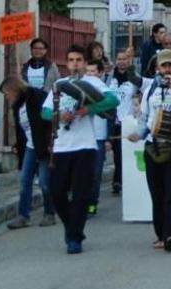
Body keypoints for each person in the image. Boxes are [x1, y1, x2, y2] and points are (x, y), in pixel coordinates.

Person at [42, 45, 119, 254]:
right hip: (61, 147)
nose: (75, 63)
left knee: (81, 194)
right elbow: (46, 112)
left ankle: (74, 238)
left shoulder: (92, 82)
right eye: (71, 60)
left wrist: (88, 109)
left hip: (85, 146)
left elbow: (113, 100)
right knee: (56, 192)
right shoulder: (60, 84)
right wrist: (60, 116)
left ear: (85, 63)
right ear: (66, 63)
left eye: (78, 60)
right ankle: (72, 227)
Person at [128, 49, 171, 252]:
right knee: (157, 194)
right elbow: (145, 118)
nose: (167, 69)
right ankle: (161, 234)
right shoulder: (151, 89)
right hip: (154, 147)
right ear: (158, 67)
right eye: (163, 65)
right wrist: (138, 134)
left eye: (170, 65)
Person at [1, 76, 55, 229]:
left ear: (14, 89)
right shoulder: (17, 106)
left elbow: (48, 120)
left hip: (43, 145)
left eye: (7, 93)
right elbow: (22, 129)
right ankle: (23, 216)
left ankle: (49, 213)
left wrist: (50, 142)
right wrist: (18, 144)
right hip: (30, 146)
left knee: (44, 182)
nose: (6, 97)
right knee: (25, 181)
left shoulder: (35, 96)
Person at [108, 49, 152, 195]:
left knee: (122, 153)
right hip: (112, 120)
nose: (121, 61)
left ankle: (118, 181)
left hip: (127, 121)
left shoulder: (134, 78)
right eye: (119, 58)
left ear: (129, 61)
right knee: (115, 153)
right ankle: (118, 178)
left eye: (124, 58)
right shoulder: (109, 78)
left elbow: (142, 93)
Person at [84, 60, 112, 216]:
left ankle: (92, 203)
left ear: (100, 73)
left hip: (99, 138)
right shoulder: (80, 89)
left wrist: (108, 139)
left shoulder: (106, 92)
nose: (90, 75)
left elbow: (111, 116)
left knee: (95, 173)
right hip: (84, 137)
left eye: (93, 71)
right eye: (87, 71)